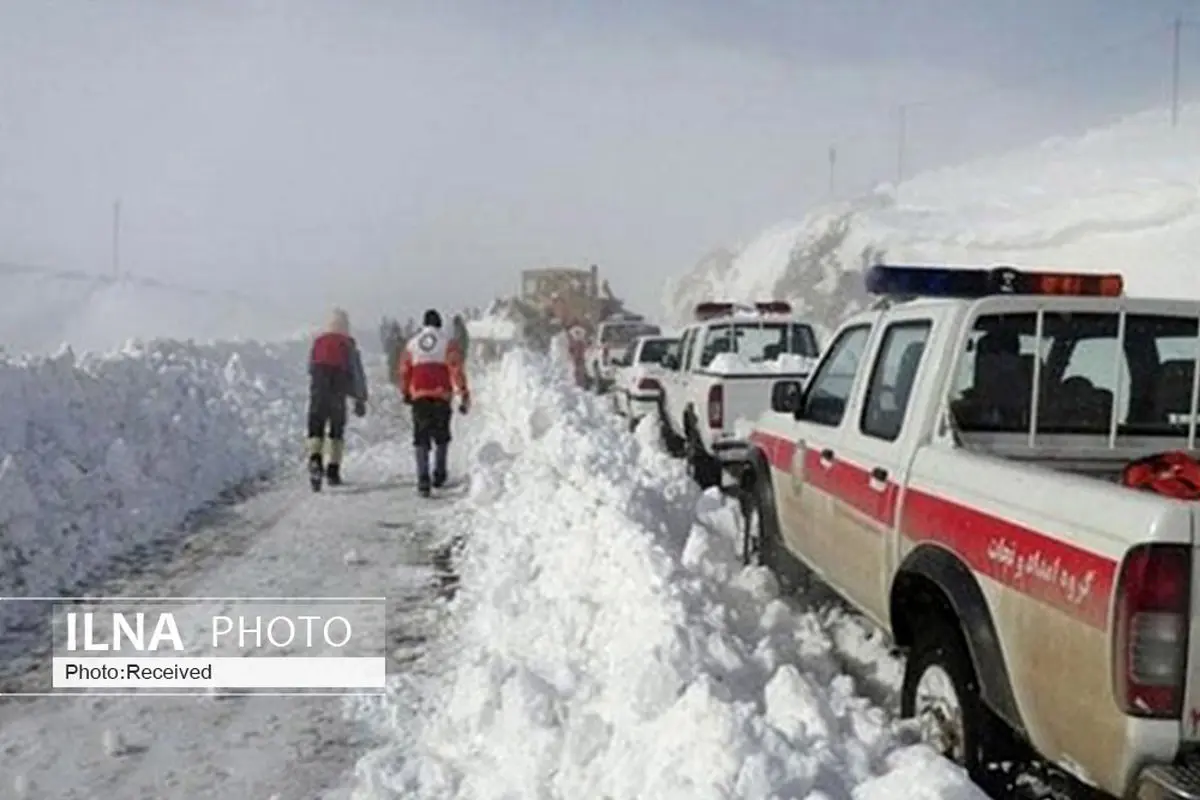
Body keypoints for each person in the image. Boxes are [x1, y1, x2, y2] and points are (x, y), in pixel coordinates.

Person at [399, 308, 470, 496]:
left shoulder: (412, 344)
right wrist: (463, 393)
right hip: (441, 395)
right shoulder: (448, 343)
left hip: (419, 395)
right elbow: (456, 369)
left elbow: (405, 370)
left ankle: (423, 478)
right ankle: (439, 473)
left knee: (420, 437)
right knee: (441, 436)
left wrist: (405, 391)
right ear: (439, 324)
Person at [307, 307, 368, 489]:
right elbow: (356, 373)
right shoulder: (347, 344)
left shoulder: (318, 342)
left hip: (318, 388)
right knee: (336, 429)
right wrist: (360, 398)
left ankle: (315, 460)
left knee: (316, 426)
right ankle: (333, 471)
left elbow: (310, 368)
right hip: (337, 389)